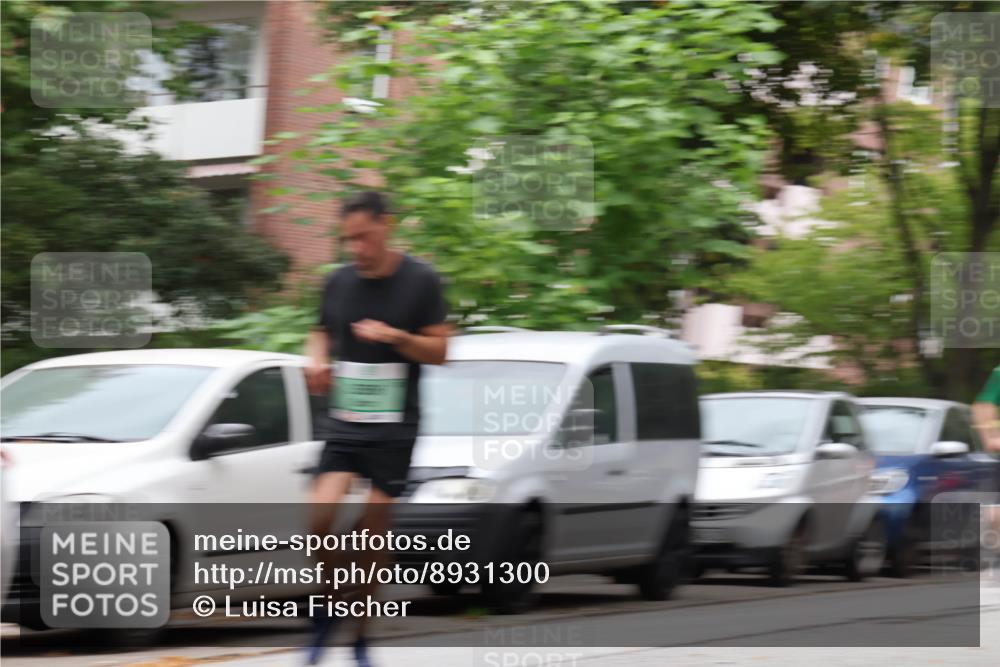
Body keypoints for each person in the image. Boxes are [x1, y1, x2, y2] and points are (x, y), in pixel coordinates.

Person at [304, 190, 450, 666]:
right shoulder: (338, 282)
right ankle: (331, 607)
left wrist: (397, 337)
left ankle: (361, 637)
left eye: (365, 237)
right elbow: (320, 329)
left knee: (372, 533)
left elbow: (441, 351)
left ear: (387, 225)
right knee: (319, 521)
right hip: (346, 421)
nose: (358, 249)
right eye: (350, 240)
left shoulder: (422, 281)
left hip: (395, 427)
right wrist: (318, 359)